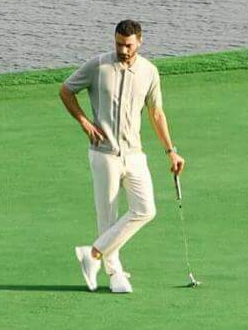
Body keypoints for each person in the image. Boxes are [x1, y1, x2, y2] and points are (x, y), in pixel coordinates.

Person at [60, 20, 184, 294]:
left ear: (140, 42)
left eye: (128, 45)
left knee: (146, 209)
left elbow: (156, 113)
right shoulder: (98, 66)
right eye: (118, 43)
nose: (123, 49)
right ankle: (115, 273)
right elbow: (66, 91)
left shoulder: (149, 72)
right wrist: (83, 121)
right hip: (104, 155)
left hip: (135, 154)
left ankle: (91, 254)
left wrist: (170, 150)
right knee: (108, 218)